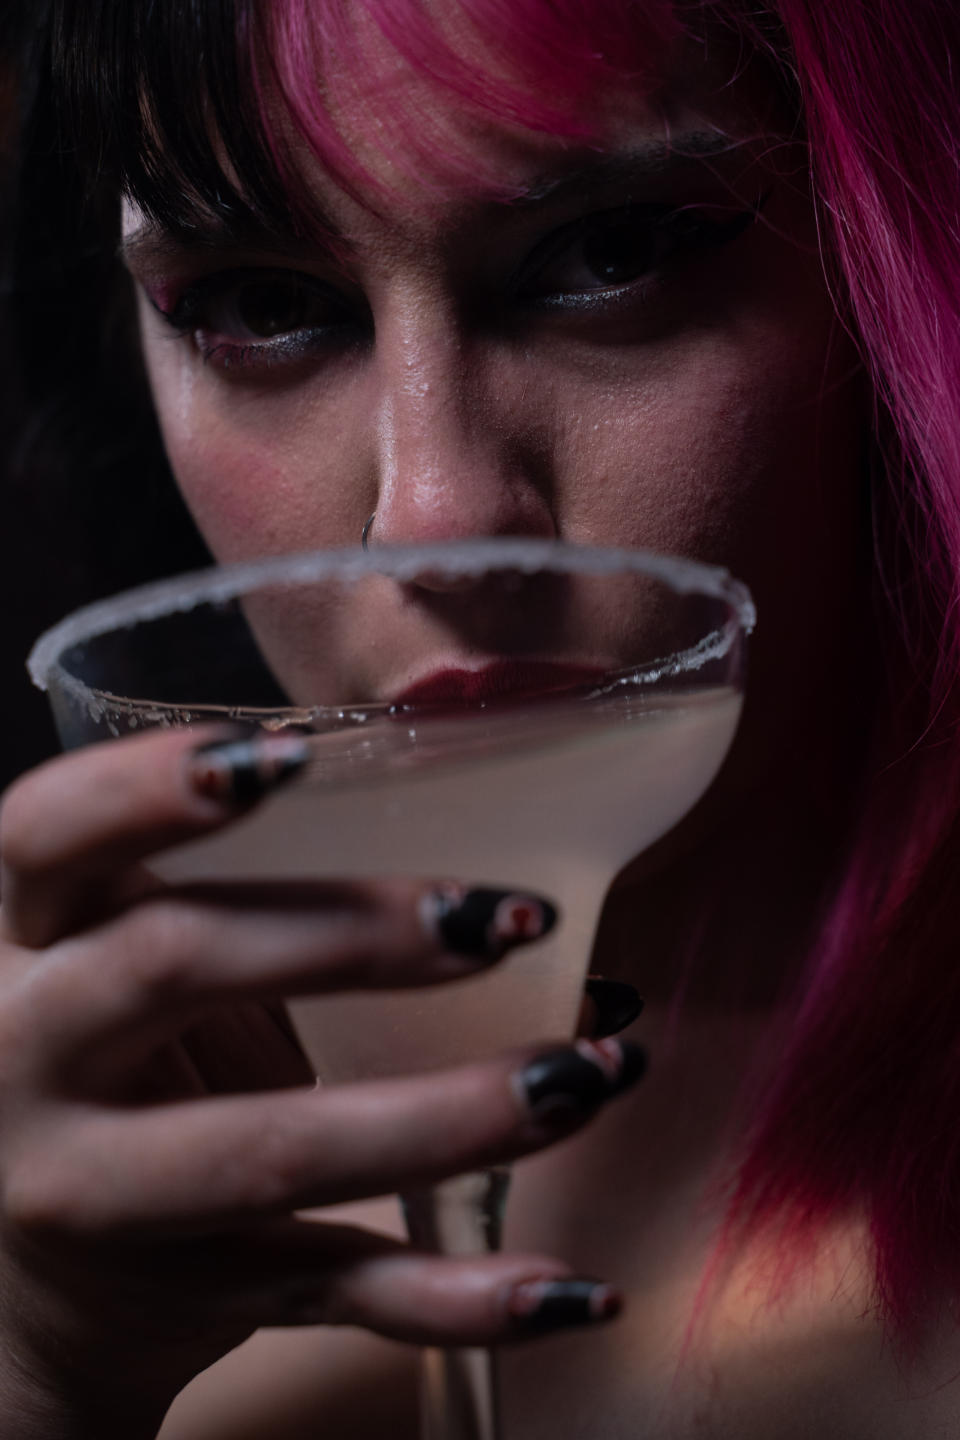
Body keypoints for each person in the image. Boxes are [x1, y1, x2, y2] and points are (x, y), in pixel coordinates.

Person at [2, 0, 960, 1435]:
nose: (433, 521)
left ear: (893, 251)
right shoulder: (100, 1236)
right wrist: (34, 1386)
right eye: (259, 305)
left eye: (611, 254)